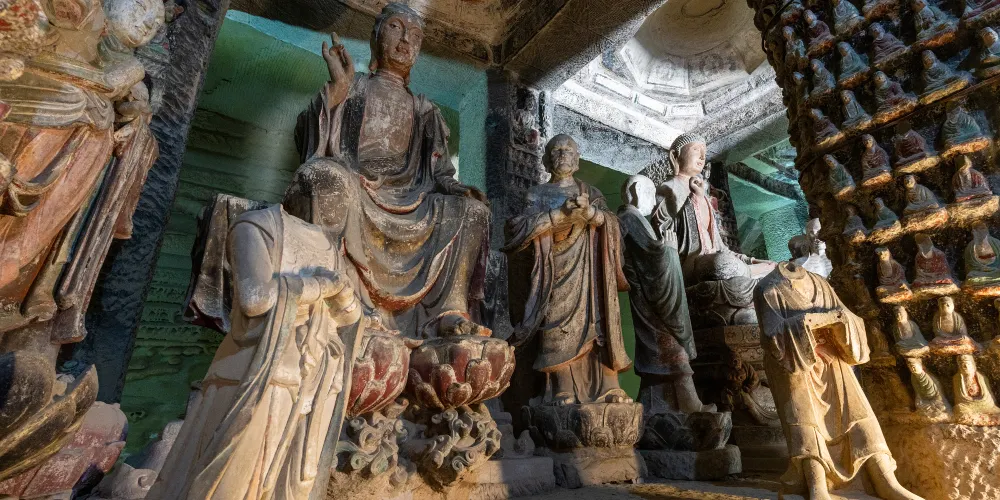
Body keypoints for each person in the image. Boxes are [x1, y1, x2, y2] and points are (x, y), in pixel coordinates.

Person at [284, 3, 490, 339]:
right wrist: (339, 87)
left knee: (473, 211)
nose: (406, 40)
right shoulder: (354, 87)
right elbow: (309, 142)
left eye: (415, 36)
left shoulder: (425, 110)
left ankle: (449, 310)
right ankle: (339, 297)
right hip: (356, 186)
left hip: (412, 196)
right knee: (324, 177)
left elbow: (440, 172)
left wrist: (456, 189)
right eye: (396, 28)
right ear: (376, 37)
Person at [148, 205, 363, 499]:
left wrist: (345, 295)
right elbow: (255, 299)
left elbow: (347, 317)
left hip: (312, 377)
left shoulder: (331, 248)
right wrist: (318, 286)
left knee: (288, 482)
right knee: (231, 481)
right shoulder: (256, 226)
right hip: (258, 371)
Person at [754, 262, 922, 500]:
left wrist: (837, 323)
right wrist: (813, 327)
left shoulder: (820, 283)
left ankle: (886, 480)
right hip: (797, 365)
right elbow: (773, 335)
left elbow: (850, 318)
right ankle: (817, 484)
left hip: (833, 361)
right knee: (805, 420)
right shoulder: (768, 289)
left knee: (859, 415)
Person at [504, 135, 631, 406]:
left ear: (578, 159)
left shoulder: (591, 193)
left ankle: (607, 386)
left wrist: (591, 214)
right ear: (546, 159)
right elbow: (518, 230)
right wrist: (559, 215)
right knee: (557, 324)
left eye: (568, 150)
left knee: (599, 327)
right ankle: (562, 387)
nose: (563, 154)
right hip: (554, 270)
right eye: (556, 150)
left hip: (591, 274)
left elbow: (615, 227)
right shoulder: (537, 194)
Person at [619, 175, 708, 414]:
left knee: (662, 350)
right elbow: (650, 259)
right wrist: (667, 250)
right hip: (650, 298)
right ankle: (688, 403)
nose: (654, 202)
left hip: (649, 296)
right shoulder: (629, 218)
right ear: (637, 191)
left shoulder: (636, 219)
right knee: (672, 347)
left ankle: (655, 402)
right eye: (651, 194)